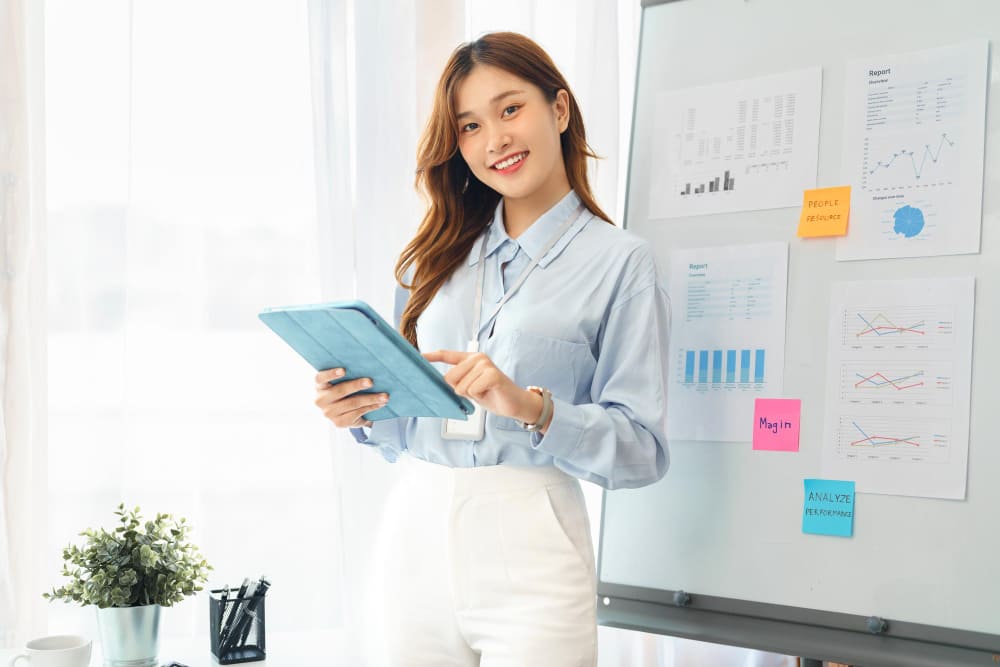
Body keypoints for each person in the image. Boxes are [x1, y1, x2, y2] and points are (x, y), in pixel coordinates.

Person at [313, 31, 671, 667]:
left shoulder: (622, 264)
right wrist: (360, 411)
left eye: (510, 110)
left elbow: (642, 451)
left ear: (559, 110)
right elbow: (404, 421)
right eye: (470, 126)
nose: (494, 140)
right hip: (416, 527)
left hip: (533, 532)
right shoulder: (432, 257)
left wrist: (530, 407)